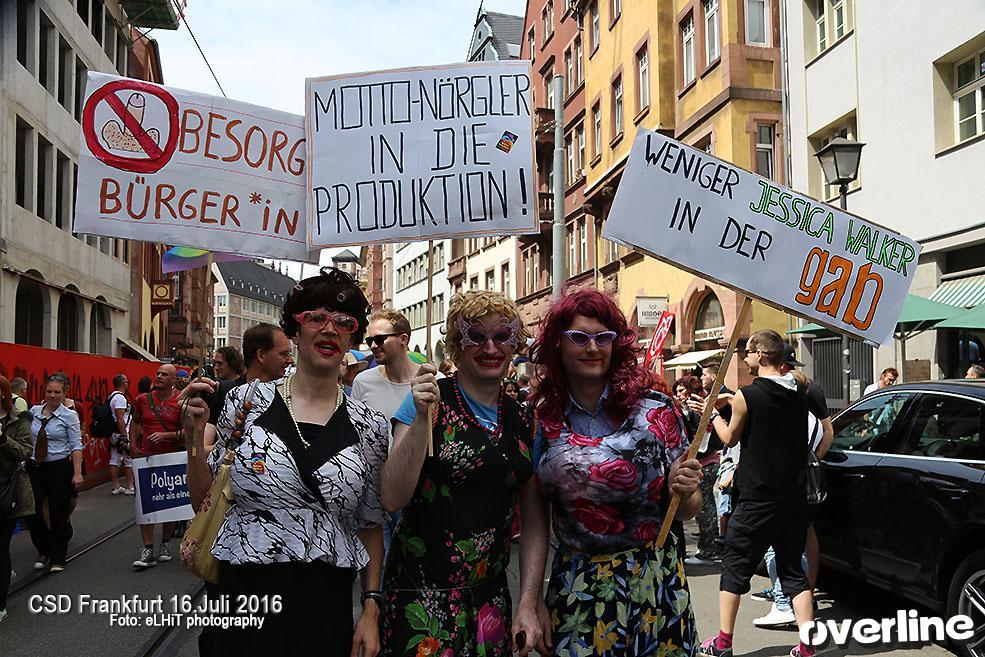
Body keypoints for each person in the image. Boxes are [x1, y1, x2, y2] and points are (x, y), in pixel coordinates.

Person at [181, 266, 387, 657]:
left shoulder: (370, 424)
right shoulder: (247, 402)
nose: (329, 328)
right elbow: (203, 501)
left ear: (352, 336)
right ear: (294, 331)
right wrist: (193, 439)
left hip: (325, 602)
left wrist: (371, 607)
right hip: (245, 596)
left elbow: (370, 523)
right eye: (315, 317)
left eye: (343, 321)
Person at [521, 289, 702, 657]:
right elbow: (535, 518)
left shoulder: (657, 412)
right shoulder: (539, 418)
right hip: (578, 588)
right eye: (579, 337)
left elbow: (687, 508)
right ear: (558, 344)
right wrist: (530, 599)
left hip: (655, 584)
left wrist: (682, 488)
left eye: (603, 338)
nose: (593, 348)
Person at [378, 291, 542, 657]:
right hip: (421, 601)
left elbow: (534, 519)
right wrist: (421, 418)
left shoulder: (524, 418)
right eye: (475, 336)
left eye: (501, 336)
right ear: (456, 344)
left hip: (489, 603)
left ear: (514, 344)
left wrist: (529, 601)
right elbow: (391, 496)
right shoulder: (428, 398)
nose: (490, 347)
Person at [691, 330, 826, 657]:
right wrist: (731, 401)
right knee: (794, 570)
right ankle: (807, 646)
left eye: (747, 352)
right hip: (792, 497)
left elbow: (730, 438)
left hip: (755, 499)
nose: (744, 357)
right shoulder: (800, 392)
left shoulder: (747, 396)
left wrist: (710, 415)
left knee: (735, 567)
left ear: (761, 355)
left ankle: (723, 643)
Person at [750, 344, 833, 628]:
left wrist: (810, 461)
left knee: (799, 537)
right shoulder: (783, 388)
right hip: (786, 476)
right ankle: (791, 594)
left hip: (795, 478)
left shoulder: (807, 389)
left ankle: (799, 595)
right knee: (793, 538)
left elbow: (827, 431)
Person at [351, 310, 417, 556]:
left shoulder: (431, 381)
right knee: (376, 574)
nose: (373, 346)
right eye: (369, 341)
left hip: (414, 491)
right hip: (372, 493)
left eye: (380, 339)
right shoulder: (363, 382)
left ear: (403, 339)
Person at [26, 373, 82, 573]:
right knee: (33, 512)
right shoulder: (34, 411)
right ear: (44, 391)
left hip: (59, 467)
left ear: (64, 393)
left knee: (58, 512)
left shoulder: (69, 415)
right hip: (35, 466)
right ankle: (43, 550)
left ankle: (58, 556)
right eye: (49, 391)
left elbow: (76, 446)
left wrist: (77, 473)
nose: (52, 395)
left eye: (57, 392)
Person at [130, 364, 183, 569]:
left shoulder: (180, 401)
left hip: (171, 459)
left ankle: (166, 543)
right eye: (158, 374)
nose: (159, 377)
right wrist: (133, 445)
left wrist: (167, 436)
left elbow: (188, 432)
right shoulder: (143, 400)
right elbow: (135, 422)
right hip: (147, 458)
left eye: (164, 374)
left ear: (172, 380)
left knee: (169, 505)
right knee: (145, 504)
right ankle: (148, 548)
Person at [0, 375, 34, 622]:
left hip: (6, 491)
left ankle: (0, 603)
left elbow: (25, 451)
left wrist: (3, 439)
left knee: (0, 548)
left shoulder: (18, 420)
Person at [107, 374, 134, 495]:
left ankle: (115, 486)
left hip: (113, 433)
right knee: (128, 459)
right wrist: (124, 435)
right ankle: (130, 486)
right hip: (122, 433)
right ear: (124, 383)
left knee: (114, 458)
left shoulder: (111, 397)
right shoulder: (120, 398)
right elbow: (120, 417)